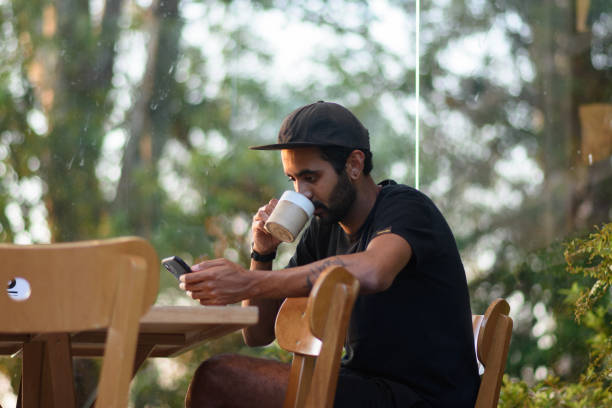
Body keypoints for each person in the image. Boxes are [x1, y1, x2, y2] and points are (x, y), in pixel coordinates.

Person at [180, 101, 480, 407]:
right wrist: (262, 253)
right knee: (218, 378)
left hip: (424, 399)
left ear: (354, 164)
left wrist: (244, 282)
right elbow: (257, 334)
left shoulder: (406, 207)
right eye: (292, 180)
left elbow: (374, 270)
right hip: (362, 388)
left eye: (311, 178)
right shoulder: (324, 228)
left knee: (219, 379)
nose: (301, 194)